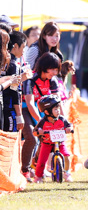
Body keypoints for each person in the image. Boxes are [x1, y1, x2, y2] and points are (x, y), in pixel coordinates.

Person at [22, 52, 61, 180]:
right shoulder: (30, 80)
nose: (54, 73)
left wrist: (62, 120)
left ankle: (35, 165)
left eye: (57, 70)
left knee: (46, 138)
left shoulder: (53, 81)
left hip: (41, 111)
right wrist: (42, 122)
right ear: (44, 67)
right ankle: (25, 171)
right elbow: (29, 103)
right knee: (32, 138)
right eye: (52, 69)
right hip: (25, 110)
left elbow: (58, 102)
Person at [32, 95, 73, 183]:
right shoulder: (42, 121)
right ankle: (38, 176)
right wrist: (40, 132)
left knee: (66, 156)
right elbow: (34, 132)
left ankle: (67, 173)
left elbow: (69, 125)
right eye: (55, 109)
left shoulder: (62, 119)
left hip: (59, 143)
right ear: (47, 112)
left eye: (58, 108)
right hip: (47, 143)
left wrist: (69, 129)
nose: (58, 111)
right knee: (41, 161)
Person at [2, 31, 30, 132]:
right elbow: (14, 91)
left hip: (3, 107)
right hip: (9, 109)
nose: (24, 51)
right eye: (23, 47)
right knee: (9, 141)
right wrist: (19, 115)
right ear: (16, 46)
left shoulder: (4, 62)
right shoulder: (13, 64)